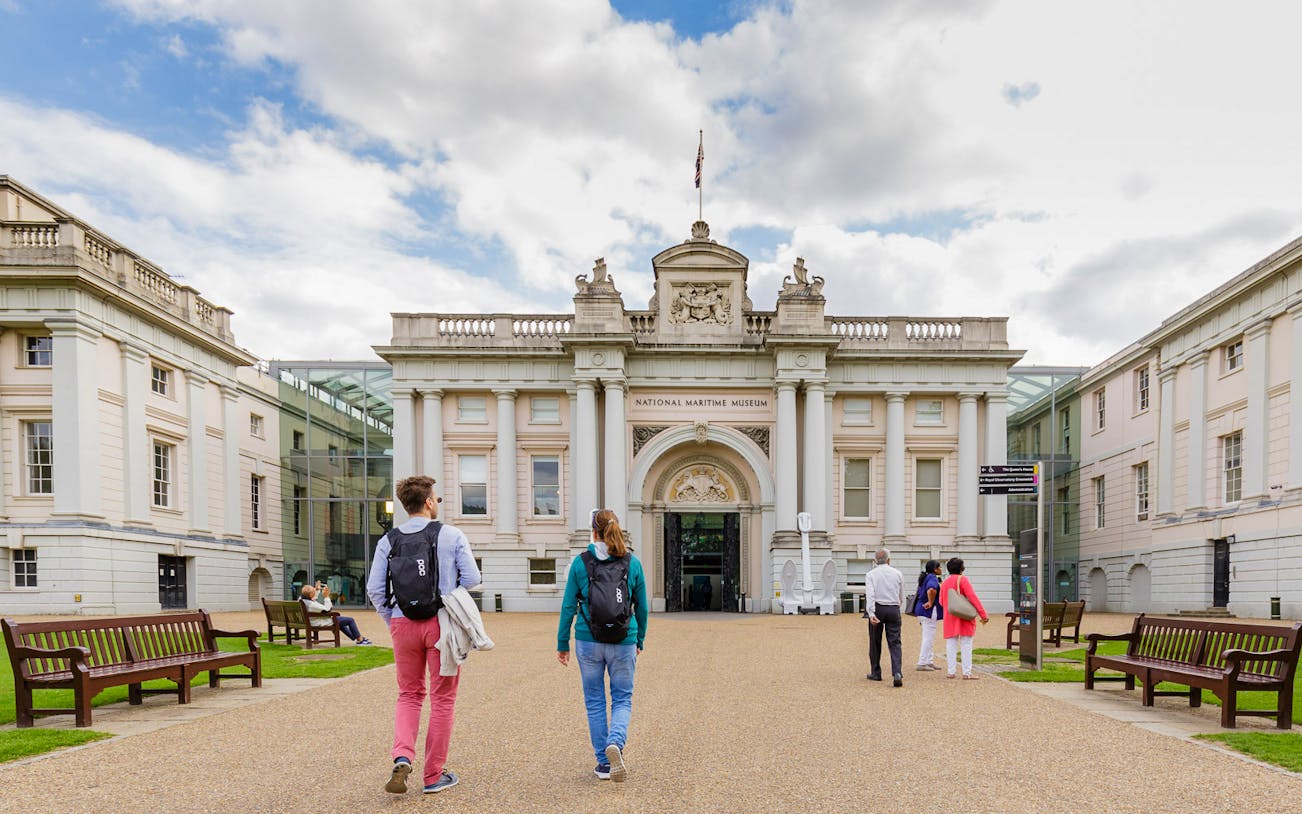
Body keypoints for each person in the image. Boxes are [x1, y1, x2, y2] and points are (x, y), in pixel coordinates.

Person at [367, 475, 481, 795]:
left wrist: (393, 621)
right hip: (441, 623)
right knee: (442, 698)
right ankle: (433, 775)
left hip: (403, 624)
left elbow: (375, 589)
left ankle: (402, 756)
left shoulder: (388, 540)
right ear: (429, 502)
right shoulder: (450, 534)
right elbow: (472, 578)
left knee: (409, 695)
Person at [556, 509, 648, 782]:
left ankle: (603, 764)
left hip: (588, 639)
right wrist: (639, 638)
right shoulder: (632, 563)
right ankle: (615, 743)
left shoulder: (580, 563)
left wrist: (563, 643)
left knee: (594, 701)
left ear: (592, 532)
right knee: (622, 698)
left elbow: (568, 606)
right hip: (624, 640)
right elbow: (641, 607)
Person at [938, 557, 989, 680]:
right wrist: (983, 614)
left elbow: (941, 601)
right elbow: (972, 598)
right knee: (966, 644)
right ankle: (966, 672)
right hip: (964, 616)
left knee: (951, 644)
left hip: (950, 616)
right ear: (961, 568)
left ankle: (951, 671)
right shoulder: (963, 580)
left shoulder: (944, 583)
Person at [864, 547, 905, 687]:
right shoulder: (897, 573)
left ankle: (876, 672)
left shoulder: (870, 574)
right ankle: (897, 672)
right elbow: (901, 593)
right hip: (893, 608)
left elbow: (870, 594)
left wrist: (871, 613)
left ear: (875, 561)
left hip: (878, 607)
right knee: (895, 642)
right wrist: (898, 604)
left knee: (875, 642)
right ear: (889, 560)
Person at [301, 581, 372, 645]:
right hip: (320, 622)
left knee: (340, 621)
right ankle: (360, 639)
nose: (315, 591)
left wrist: (316, 590)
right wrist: (326, 597)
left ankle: (358, 637)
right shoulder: (312, 605)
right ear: (310, 595)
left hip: (312, 621)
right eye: (313, 591)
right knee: (350, 620)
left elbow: (312, 597)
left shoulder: (302, 600)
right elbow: (328, 609)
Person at [912, 560, 943, 670]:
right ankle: (922, 663)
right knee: (928, 637)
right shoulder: (932, 577)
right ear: (935, 569)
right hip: (928, 610)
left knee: (929, 635)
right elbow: (931, 590)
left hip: (920, 610)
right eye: (940, 567)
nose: (941, 569)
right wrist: (930, 602)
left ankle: (929, 661)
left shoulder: (925, 577)